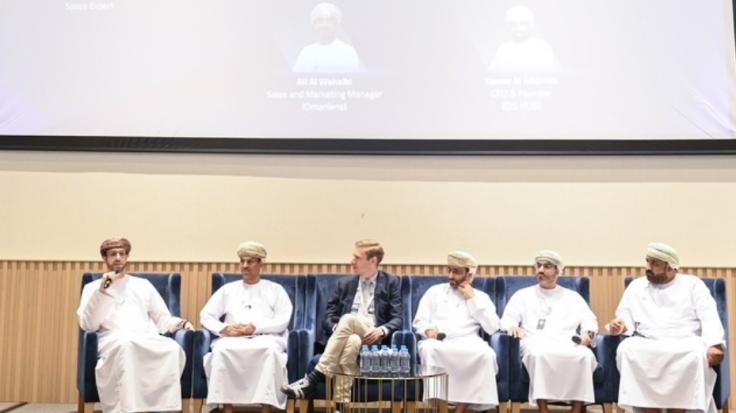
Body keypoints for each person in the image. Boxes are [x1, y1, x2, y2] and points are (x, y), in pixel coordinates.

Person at [77, 237, 192, 413]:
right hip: (112, 339)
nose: (118, 258)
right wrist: (103, 291)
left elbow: (162, 318)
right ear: (105, 258)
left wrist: (181, 323)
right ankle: (128, 409)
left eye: (121, 254)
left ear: (127, 257)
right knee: (127, 346)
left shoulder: (143, 285)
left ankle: (164, 408)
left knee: (172, 348)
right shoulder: (93, 288)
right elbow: (89, 325)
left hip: (144, 337)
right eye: (113, 254)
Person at [608, 242, 725, 413]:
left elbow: (709, 316)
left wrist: (714, 344)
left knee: (695, 354)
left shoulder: (693, 285)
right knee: (626, 349)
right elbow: (625, 317)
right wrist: (620, 325)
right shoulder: (637, 286)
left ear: (670, 267)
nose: (648, 267)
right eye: (647, 261)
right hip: (647, 340)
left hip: (685, 341)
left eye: (654, 263)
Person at [282, 239, 402, 398]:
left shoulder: (391, 282)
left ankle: (315, 376)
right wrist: (339, 329)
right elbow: (328, 317)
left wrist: (381, 330)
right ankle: (341, 405)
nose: (352, 261)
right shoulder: (344, 284)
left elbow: (397, 318)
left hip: (372, 337)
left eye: (357, 257)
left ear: (373, 260)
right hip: (347, 336)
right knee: (352, 341)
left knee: (348, 319)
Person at [200, 241, 293, 413]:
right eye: (242, 261)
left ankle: (266, 408)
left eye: (249, 261)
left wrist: (255, 328)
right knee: (221, 351)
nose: (244, 266)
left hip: (266, 338)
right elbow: (206, 315)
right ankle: (227, 408)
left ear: (260, 264)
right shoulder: (228, 289)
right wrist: (224, 329)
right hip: (233, 338)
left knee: (270, 352)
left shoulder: (275, 290)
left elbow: (283, 320)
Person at [500, 250, 597, 413]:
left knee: (585, 355)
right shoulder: (522, 295)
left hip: (567, 342)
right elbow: (507, 319)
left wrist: (587, 334)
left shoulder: (572, 297)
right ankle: (543, 409)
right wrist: (512, 327)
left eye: (547, 266)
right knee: (538, 354)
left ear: (558, 271)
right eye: (538, 266)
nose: (540, 270)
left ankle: (576, 409)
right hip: (535, 341)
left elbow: (589, 320)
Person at [412, 251, 500, 413]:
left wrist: (472, 299)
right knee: (429, 349)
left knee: (486, 355)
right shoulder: (434, 292)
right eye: (450, 270)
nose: (451, 276)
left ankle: (459, 409)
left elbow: (492, 327)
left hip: (469, 342)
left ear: (470, 274)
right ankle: (440, 408)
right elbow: (419, 321)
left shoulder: (480, 297)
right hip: (440, 341)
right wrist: (428, 330)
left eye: (456, 272)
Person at [488, 6, 561, 74]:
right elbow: (491, 76)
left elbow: (554, 78)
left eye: (523, 24)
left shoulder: (543, 48)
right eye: (513, 24)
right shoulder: (503, 49)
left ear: (531, 25)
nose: (518, 28)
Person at [292, 2, 361, 73]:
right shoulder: (306, 53)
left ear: (336, 25)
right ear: (314, 25)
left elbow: (353, 79)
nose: (324, 25)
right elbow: (296, 78)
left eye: (329, 20)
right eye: (320, 20)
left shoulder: (347, 52)